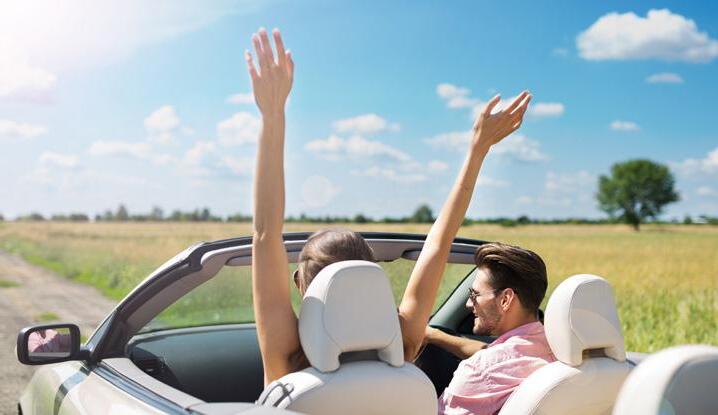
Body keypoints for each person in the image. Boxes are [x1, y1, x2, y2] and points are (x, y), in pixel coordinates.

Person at [245, 27, 532, 388]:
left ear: (301, 283)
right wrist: (478, 150)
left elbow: (265, 234)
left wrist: (273, 115)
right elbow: (438, 244)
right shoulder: (402, 345)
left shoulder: (287, 357)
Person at [424, 242, 555, 414]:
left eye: (474, 294)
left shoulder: (481, 371)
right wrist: (434, 335)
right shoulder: (555, 348)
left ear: (505, 300)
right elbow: (494, 353)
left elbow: (489, 362)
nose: (468, 303)